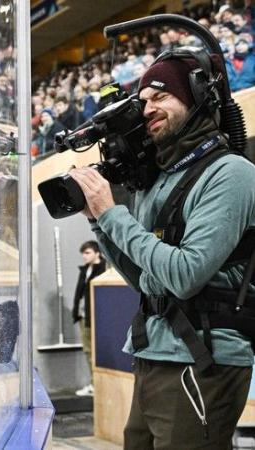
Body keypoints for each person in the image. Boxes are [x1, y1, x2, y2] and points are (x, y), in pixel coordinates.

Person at [69, 49, 255, 449]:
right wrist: (97, 219)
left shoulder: (231, 173)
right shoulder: (159, 181)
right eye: (142, 101)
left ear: (196, 95)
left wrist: (112, 214)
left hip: (202, 357)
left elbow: (186, 276)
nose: (146, 108)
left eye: (159, 95)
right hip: (155, 352)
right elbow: (147, 280)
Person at [72, 240, 106, 397]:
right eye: (83, 253)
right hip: (84, 317)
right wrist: (76, 313)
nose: (84, 256)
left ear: (97, 253)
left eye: (87, 253)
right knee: (88, 351)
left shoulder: (105, 270)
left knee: (98, 352)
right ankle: (94, 384)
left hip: (99, 318)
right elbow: (79, 294)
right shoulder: (85, 270)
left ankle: (99, 385)